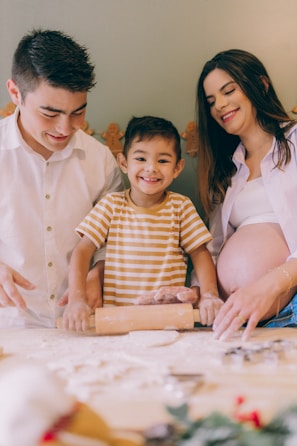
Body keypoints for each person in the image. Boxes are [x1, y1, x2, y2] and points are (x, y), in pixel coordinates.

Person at [0, 29, 123, 328]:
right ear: (15, 93)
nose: (65, 128)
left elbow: (114, 239)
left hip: (83, 325)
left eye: (78, 112)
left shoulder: (101, 160)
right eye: (50, 113)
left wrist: (99, 273)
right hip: (8, 328)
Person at [64, 116, 223, 331]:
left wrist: (210, 295)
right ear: (123, 163)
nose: (151, 168)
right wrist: (77, 299)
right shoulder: (111, 205)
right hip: (117, 321)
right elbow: (82, 251)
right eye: (141, 159)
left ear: (177, 168)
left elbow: (201, 253)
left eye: (163, 161)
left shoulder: (181, 207)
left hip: (169, 321)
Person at [193, 48, 297, 341]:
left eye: (228, 91)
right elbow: (212, 247)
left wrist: (268, 285)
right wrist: (197, 292)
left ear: (260, 84)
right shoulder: (227, 170)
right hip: (232, 318)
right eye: (211, 101)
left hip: (289, 311)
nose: (220, 106)